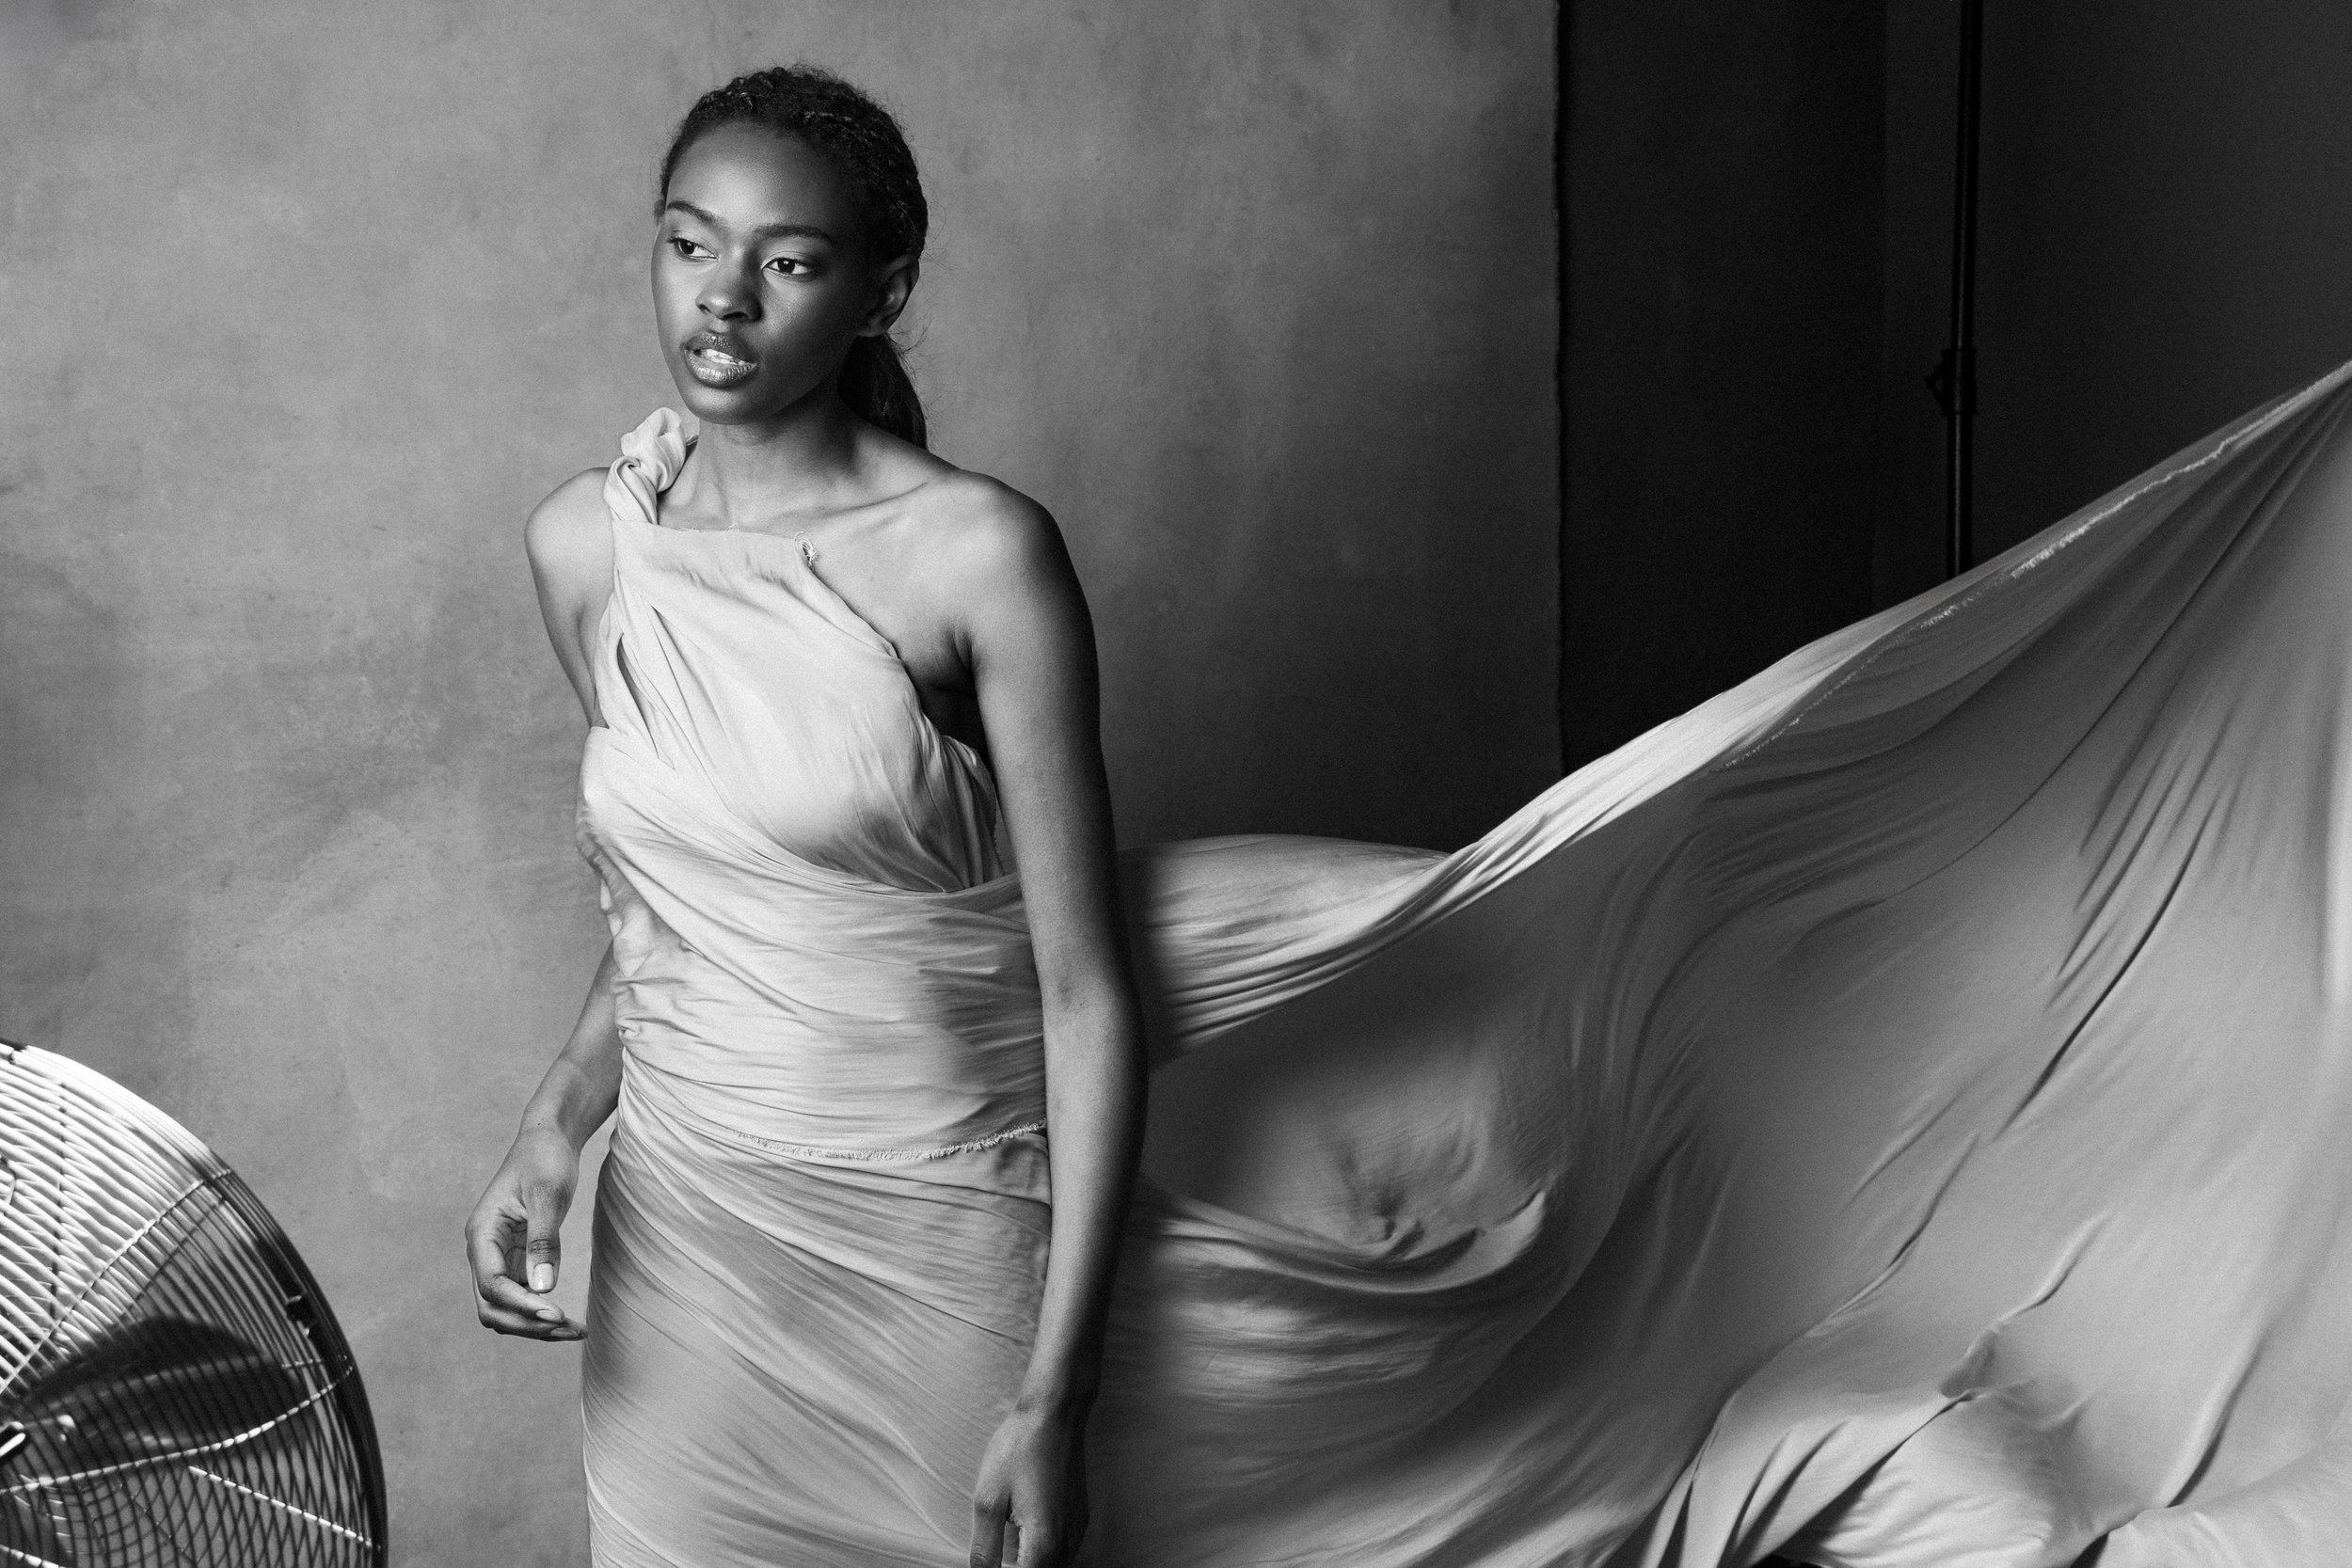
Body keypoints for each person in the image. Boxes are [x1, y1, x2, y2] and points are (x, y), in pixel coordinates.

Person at [469, 62, 2352, 1568]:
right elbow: (674, 904)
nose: (718, 301)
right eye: (684, 242)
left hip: (932, 1238)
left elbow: (1083, 991)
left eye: (784, 259)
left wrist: (1050, 1395)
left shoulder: (969, 560)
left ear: (877, 285)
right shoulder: (590, 543)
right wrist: (559, 1132)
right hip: (687, 1256)